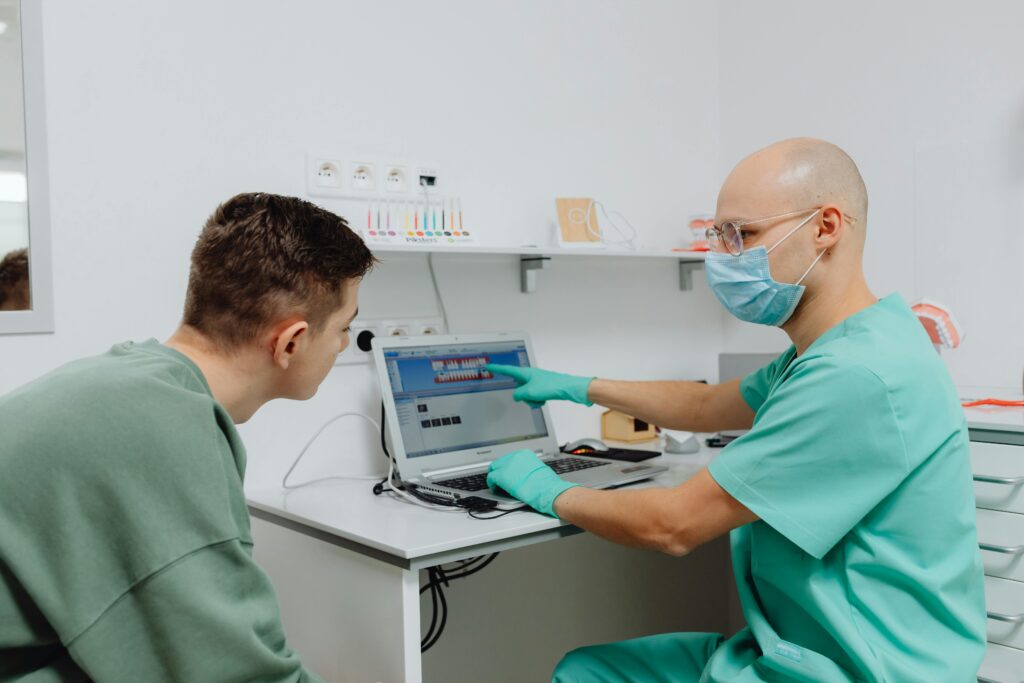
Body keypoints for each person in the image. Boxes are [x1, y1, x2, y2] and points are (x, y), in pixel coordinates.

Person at [486, 138, 986, 682]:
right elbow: (705, 405)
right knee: (587, 670)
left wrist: (548, 491)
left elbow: (673, 526)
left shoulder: (854, 376)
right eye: (719, 237)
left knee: (588, 675)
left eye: (742, 235)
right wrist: (581, 387)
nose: (722, 260)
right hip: (811, 646)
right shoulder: (844, 346)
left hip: (860, 669)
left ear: (826, 226)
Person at [0, 193, 375, 682]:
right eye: (345, 327)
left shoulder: (133, 378)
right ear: (290, 342)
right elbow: (232, 672)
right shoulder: (161, 431)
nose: (345, 343)